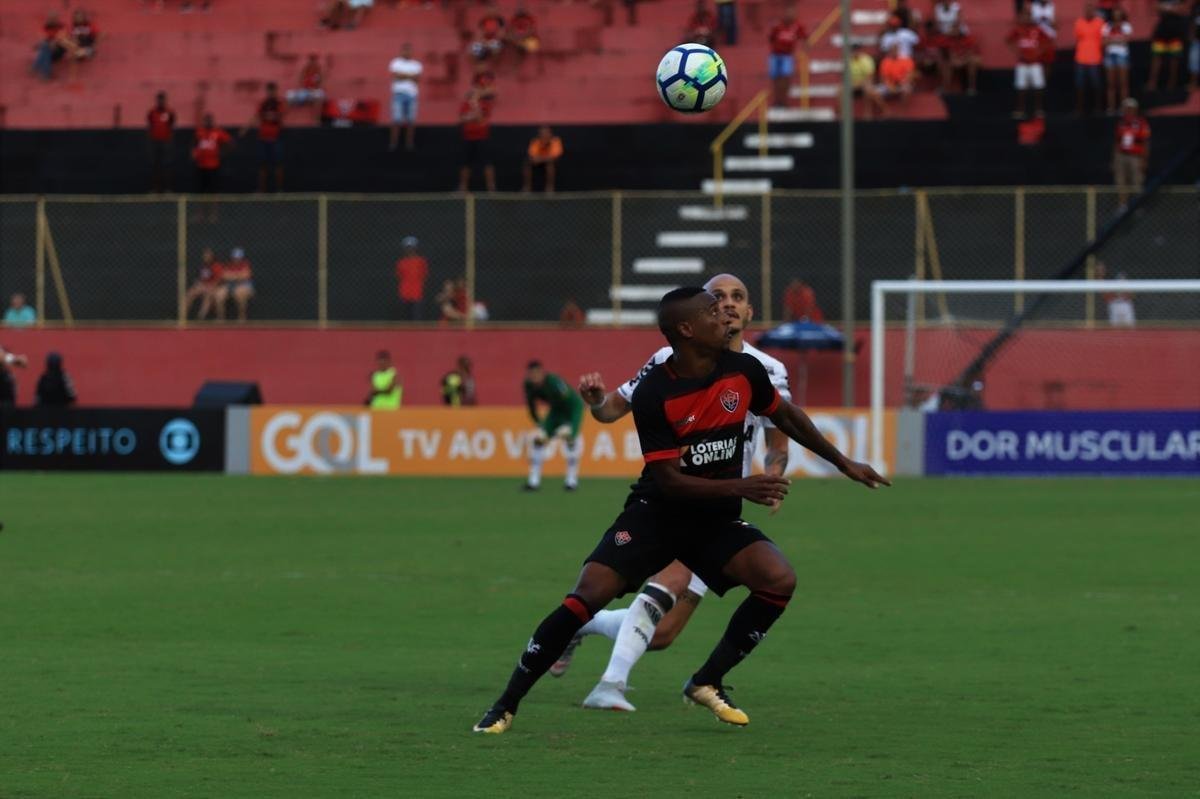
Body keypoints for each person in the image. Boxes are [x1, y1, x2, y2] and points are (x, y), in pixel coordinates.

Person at [472, 287, 889, 734]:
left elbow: (785, 417)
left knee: (778, 580)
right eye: (713, 310)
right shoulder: (655, 391)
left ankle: (707, 680)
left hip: (714, 520)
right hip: (657, 514)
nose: (723, 314)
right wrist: (743, 485)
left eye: (729, 304)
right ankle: (506, 704)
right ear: (688, 330)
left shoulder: (746, 369)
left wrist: (844, 462)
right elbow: (669, 480)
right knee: (585, 597)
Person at [551, 273, 795, 712]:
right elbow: (611, 410)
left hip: (726, 512)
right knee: (670, 579)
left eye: (738, 297)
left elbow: (779, 440)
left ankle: (580, 626)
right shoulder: (667, 358)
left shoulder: (769, 370)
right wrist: (593, 401)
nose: (728, 304)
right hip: (680, 502)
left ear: (750, 310)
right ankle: (611, 685)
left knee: (660, 635)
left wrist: (775, 477)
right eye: (717, 297)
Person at [522, 360, 585, 492]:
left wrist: (569, 428)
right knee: (538, 440)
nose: (534, 377)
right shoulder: (528, 386)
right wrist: (540, 424)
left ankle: (571, 481)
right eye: (531, 374)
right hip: (555, 411)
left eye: (536, 373)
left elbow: (568, 400)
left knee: (571, 440)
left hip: (572, 408)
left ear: (541, 373)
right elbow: (531, 406)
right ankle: (533, 481)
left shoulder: (553, 381)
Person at [240, 82, 285, 192]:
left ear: (275, 91)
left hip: (275, 139)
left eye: (272, 91)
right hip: (263, 139)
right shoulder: (263, 104)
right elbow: (256, 116)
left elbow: (278, 116)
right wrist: (245, 129)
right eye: (269, 91)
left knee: (278, 165)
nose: (271, 93)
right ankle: (261, 190)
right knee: (262, 166)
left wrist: (268, 116)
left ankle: (280, 190)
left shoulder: (279, 103)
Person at [1008, 8, 1051, 119]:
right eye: (1025, 15)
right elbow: (1008, 41)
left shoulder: (1037, 29)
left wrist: (1039, 52)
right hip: (1022, 63)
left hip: (1035, 62)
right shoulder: (1018, 29)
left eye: (1029, 15)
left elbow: (1048, 41)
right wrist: (1016, 52)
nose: (1027, 18)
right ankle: (1021, 110)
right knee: (1021, 87)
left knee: (1038, 87)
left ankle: (1038, 110)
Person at [192, 113, 232, 221]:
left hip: (213, 166)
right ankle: (200, 214)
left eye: (210, 120)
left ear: (212, 121)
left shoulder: (218, 132)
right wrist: (194, 153)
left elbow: (229, 142)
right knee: (200, 192)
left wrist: (222, 153)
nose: (208, 122)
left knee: (213, 192)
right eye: (206, 120)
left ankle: (213, 214)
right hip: (201, 166)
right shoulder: (199, 132)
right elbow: (195, 144)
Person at [1112, 98, 1150, 207]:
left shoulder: (1141, 123)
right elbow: (1116, 142)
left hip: (1136, 157)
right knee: (1121, 181)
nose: (1127, 111)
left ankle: (1136, 206)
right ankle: (1122, 206)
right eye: (1126, 108)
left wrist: (1144, 160)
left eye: (1130, 109)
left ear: (1135, 109)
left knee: (1137, 182)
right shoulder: (1121, 123)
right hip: (1121, 156)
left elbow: (1146, 143)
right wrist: (1114, 159)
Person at [768, 9, 808, 107]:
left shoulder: (797, 26)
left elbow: (805, 38)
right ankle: (777, 100)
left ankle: (784, 101)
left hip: (787, 56)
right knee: (776, 79)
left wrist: (805, 49)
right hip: (775, 55)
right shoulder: (777, 26)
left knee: (785, 78)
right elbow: (771, 38)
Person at [1146, 0, 1189, 90]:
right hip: (1161, 31)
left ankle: (1171, 84)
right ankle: (1152, 83)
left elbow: (1184, 10)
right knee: (1156, 57)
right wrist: (1173, 9)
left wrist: (1166, 9)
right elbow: (1156, 8)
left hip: (1176, 32)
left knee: (1174, 59)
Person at [458, 88, 495, 192]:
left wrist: (473, 111)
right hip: (468, 138)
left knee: (487, 163)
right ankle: (463, 187)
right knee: (465, 163)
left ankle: (491, 187)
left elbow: (480, 119)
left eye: (475, 94)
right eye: (472, 94)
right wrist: (471, 117)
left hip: (482, 138)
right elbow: (461, 119)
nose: (473, 96)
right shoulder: (465, 105)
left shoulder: (484, 104)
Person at [388, 44, 423, 152]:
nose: (407, 53)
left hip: (412, 95)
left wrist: (403, 75)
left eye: (409, 51)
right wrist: (410, 76)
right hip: (398, 94)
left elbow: (417, 79)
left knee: (411, 121)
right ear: (401, 51)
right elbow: (395, 76)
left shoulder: (416, 64)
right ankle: (393, 143)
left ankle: (409, 143)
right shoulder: (395, 62)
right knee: (396, 120)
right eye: (405, 51)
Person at [866, 44, 915, 117]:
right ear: (889, 51)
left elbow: (910, 75)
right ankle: (886, 110)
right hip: (889, 85)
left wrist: (902, 82)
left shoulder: (906, 60)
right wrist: (889, 86)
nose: (894, 51)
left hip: (902, 84)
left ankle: (902, 112)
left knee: (906, 90)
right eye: (892, 50)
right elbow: (883, 77)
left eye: (896, 49)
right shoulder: (885, 62)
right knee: (872, 92)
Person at [1074, 3, 1106, 116]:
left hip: (1095, 58)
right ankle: (1079, 109)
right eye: (1087, 9)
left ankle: (1098, 108)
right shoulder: (1079, 22)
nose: (1089, 12)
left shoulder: (1100, 22)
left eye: (1091, 9)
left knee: (1097, 85)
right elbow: (1077, 39)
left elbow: (1104, 40)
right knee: (1080, 85)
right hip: (1081, 58)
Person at [1102, 7, 1133, 114]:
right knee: (1111, 84)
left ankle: (1124, 108)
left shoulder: (1126, 26)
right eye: (1115, 14)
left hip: (1122, 56)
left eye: (1119, 14)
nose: (1117, 16)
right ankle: (1111, 108)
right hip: (1110, 56)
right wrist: (1118, 39)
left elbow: (1126, 40)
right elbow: (1104, 43)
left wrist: (1112, 40)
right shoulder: (1106, 26)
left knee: (1123, 83)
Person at [147, 91, 176, 193]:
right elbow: (150, 125)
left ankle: (168, 189)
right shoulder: (152, 112)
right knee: (155, 166)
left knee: (166, 165)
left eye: (162, 99)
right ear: (157, 100)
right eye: (159, 99)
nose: (161, 102)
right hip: (155, 142)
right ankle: (155, 189)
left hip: (166, 142)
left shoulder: (169, 112)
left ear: (165, 100)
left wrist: (168, 140)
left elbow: (172, 125)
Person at [216, 247, 255, 322]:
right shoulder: (228, 264)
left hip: (244, 285)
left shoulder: (245, 264)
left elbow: (246, 275)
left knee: (239, 293)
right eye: (235, 257)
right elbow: (224, 276)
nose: (236, 259)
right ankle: (221, 318)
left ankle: (242, 317)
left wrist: (232, 276)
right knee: (219, 295)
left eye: (238, 257)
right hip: (230, 285)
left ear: (242, 257)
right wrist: (238, 276)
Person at [943, 22, 982, 95]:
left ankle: (972, 87)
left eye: (956, 28)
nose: (954, 30)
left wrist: (962, 61)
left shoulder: (968, 39)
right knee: (945, 63)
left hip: (966, 59)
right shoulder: (948, 40)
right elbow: (949, 53)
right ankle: (946, 88)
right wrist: (955, 60)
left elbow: (970, 53)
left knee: (973, 62)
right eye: (953, 28)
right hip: (956, 60)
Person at [185, 248, 224, 320]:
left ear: (212, 257)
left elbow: (218, 281)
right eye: (205, 255)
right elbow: (196, 279)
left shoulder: (217, 266)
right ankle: (182, 317)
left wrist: (209, 287)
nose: (206, 257)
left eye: (208, 256)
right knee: (190, 293)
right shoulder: (201, 265)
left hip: (213, 287)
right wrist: (198, 284)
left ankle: (200, 318)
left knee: (208, 296)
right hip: (202, 286)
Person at [522, 126, 563, 193]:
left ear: (550, 134)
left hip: (550, 163)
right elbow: (531, 156)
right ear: (539, 134)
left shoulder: (556, 141)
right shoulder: (535, 142)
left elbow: (554, 157)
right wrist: (537, 159)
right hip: (537, 164)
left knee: (550, 165)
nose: (544, 135)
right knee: (527, 163)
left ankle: (549, 189)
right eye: (542, 133)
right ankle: (527, 188)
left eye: (546, 133)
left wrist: (540, 159)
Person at [848, 43, 877, 117]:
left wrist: (861, 83)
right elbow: (846, 76)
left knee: (867, 89)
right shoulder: (848, 61)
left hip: (864, 83)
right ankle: (842, 114)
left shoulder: (866, 59)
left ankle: (868, 114)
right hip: (853, 83)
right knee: (840, 90)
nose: (855, 52)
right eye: (853, 51)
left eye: (856, 50)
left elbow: (870, 75)